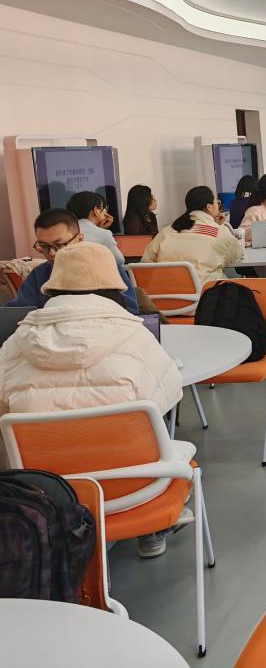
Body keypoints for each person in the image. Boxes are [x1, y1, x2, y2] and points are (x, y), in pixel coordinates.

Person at [0, 241, 183, 559]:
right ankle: (151, 530)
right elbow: (169, 396)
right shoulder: (136, 334)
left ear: (53, 287)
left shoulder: (16, 342)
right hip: (133, 488)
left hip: (42, 491)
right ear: (114, 286)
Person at [3, 209, 138, 314]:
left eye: (59, 245)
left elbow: (131, 311)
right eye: (44, 246)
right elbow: (17, 313)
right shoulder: (39, 274)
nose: (51, 253)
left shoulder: (107, 267)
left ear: (79, 239)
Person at [141, 186, 244, 284]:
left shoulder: (168, 230)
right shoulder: (219, 231)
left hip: (164, 292)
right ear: (209, 207)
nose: (218, 205)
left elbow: (147, 260)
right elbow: (237, 254)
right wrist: (219, 226)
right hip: (205, 292)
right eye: (217, 202)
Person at [66, 191, 124, 265]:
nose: (105, 211)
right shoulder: (104, 234)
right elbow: (119, 260)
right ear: (96, 210)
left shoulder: (65, 230)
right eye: (103, 207)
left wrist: (99, 229)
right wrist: (101, 231)